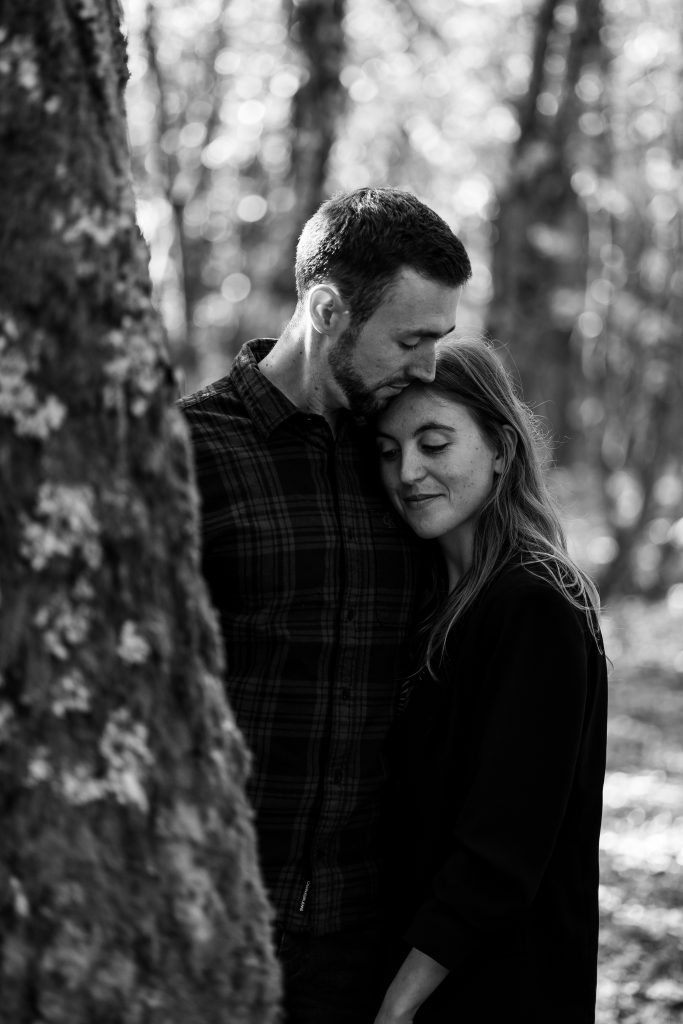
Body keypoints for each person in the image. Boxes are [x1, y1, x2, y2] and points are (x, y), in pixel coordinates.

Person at [178, 187, 472, 1023]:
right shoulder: (184, 453)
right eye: (410, 340)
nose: (427, 367)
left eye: (438, 341)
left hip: (360, 939)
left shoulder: (405, 466)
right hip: (208, 923)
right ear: (327, 309)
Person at [373, 338, 607, 1024]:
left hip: (497, 988)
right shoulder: (428, 600)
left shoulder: (535, 604)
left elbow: (504, 846)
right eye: (387, 451)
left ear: (501, 449)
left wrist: (398, 1003)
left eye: (434, 443)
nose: (407, 472)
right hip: (420, 971)